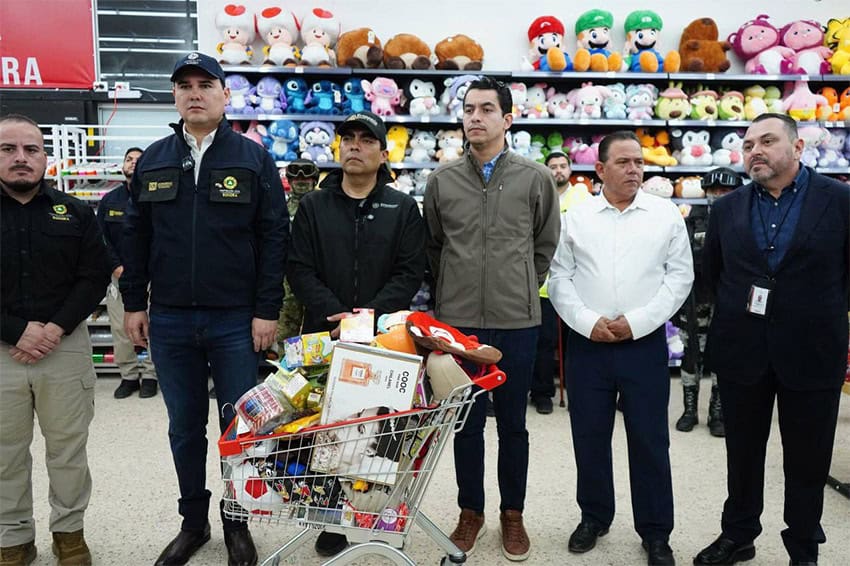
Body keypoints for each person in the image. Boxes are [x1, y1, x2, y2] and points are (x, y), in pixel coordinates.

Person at [120, 52, 288, 566]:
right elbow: (137, 236)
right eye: (184, 85)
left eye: (205, 84)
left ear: (224, 94)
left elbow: (273, 234)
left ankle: (237, 524)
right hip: (168, 318)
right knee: (184, 426)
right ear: (175, 96)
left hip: (235, 319)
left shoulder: (253, 157)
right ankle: (193, 523)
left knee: (239, 426)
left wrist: (266, 309)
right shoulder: (152, 159)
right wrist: (134, 305)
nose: (194, 92)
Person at [694, 113, 850, 566]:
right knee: (742, 453)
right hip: (743, 351)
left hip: (813, 350)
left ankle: (803, 546)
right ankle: (738, 535)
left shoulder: (840, 202)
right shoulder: (726, 209)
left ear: (798, 148)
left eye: (766, 141)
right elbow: (714, 276)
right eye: (747, 145)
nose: (754, 151)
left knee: (808, 456)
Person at [423, 76, 560, 562]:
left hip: (518, 320)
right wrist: (453, 296)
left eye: (486, 109)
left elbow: (544, 243)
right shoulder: (441, 181)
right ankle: (470, 511)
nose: (474, 117)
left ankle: (513, 514)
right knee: (466, 424)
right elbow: (436, 247)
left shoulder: (534, 177)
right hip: (460, 328)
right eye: (468, 109)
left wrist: (519, 282)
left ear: (507, 118)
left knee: (514, 426)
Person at [548, 131, 693, 566]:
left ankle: (655, 532)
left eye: (639, 162)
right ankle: (594, 516)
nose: (635, 170)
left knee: (649, 440)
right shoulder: (578, 217)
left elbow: (679, 278)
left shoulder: (664, 215)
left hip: (643, 344)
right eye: (625, 162)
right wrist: (589, 323)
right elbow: (559, 278)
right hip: (587, 345)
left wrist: (639, 321)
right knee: (589, 436)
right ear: (600, 170)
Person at [287, 111, 426, 556]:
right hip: (323, 336)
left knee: (378, 428)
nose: (354, 146)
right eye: (347, 138)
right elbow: (299, 268)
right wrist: (335, 312)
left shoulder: (402, 208)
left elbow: (410, 271)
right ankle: (330, 519)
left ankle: (373, 505)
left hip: (385, 340)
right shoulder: (313, 206)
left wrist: (372, 316)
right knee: (325, 429)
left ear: (383, 154)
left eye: (366, 140)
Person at [0, 114, 111, 566]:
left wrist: (52, 329)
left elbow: (93, 277)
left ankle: (69, 532)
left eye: (31, 150)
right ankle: (13, 537)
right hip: (2, 351)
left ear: (46, 157)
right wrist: (16, 331)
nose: (21, 159)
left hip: (63, 349)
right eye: (8, 149)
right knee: (5, 452)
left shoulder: (77, 213)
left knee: (67, 448)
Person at [672, 168, 743, 437]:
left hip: (729, 301)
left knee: (724, 358)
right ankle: (690, 410)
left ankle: (718, 412)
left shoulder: (745, 221)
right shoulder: (691, 220)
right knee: (691, 355)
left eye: (726, 191)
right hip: (695, 299)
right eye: (714, 191)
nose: (719, 196)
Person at [95, 146, 159, 399]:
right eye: (128, 159)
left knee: (154, 328)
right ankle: (129, 375)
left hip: (153, 276)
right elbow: (100, 239)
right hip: (118, 275)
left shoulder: (156, 199)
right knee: (122, 328)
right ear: (122, 166)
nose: (133, 163)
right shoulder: (110, 201)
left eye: (138, 160)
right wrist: (116, 266)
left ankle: (152, 376)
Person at [530, 151, 589, 414]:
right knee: (543, 343)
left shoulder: (582, 196)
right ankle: (542, 393)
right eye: (553, 166)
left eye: (563, 166)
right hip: (543, 285)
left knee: (576, 341)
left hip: (577, 283)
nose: (558, 171)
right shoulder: (538, 195)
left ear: (570, 168)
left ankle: (579, 390)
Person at [276, 159, 320, 344]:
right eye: (296, 175)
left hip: (319, 279)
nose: (301, 179)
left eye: (307, 176)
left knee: (318, 329)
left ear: (315, 180)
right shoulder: (280, 210)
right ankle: (285, 369)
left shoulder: (325, 208)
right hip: (287, 279)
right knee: (286, 331)